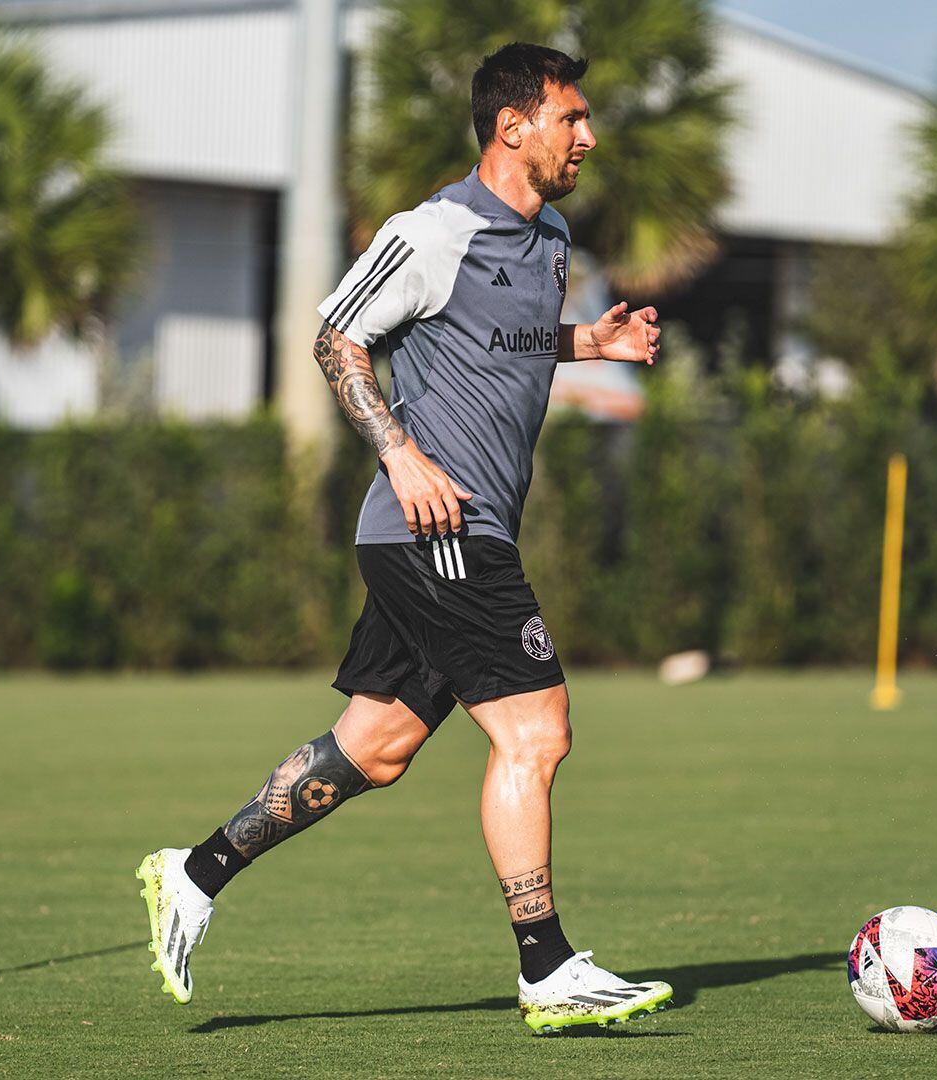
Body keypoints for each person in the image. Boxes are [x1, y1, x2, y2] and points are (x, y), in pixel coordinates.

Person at [137, 42, 668, 1034]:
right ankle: (546, 966)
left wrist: (590, 343)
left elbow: (500, 342)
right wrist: (401, 455)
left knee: (375, 748)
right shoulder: (431, 232)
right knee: (536, 730)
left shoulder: (551, 237)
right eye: (572, 117)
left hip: (468, 530)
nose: (589, 137)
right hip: (437, 525)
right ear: (513, 126)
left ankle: (196, 872)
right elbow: (335, 336)